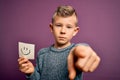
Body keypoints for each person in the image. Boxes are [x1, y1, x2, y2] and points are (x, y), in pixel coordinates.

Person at [18, 5, 100, 80]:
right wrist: (31, 72)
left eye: (68, 27)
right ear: (51, 27)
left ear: (75, 31)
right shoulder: (42, 54)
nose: (63, 31)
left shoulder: (75, 52)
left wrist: (82, 50)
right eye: (59, 25)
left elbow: (81, 49)